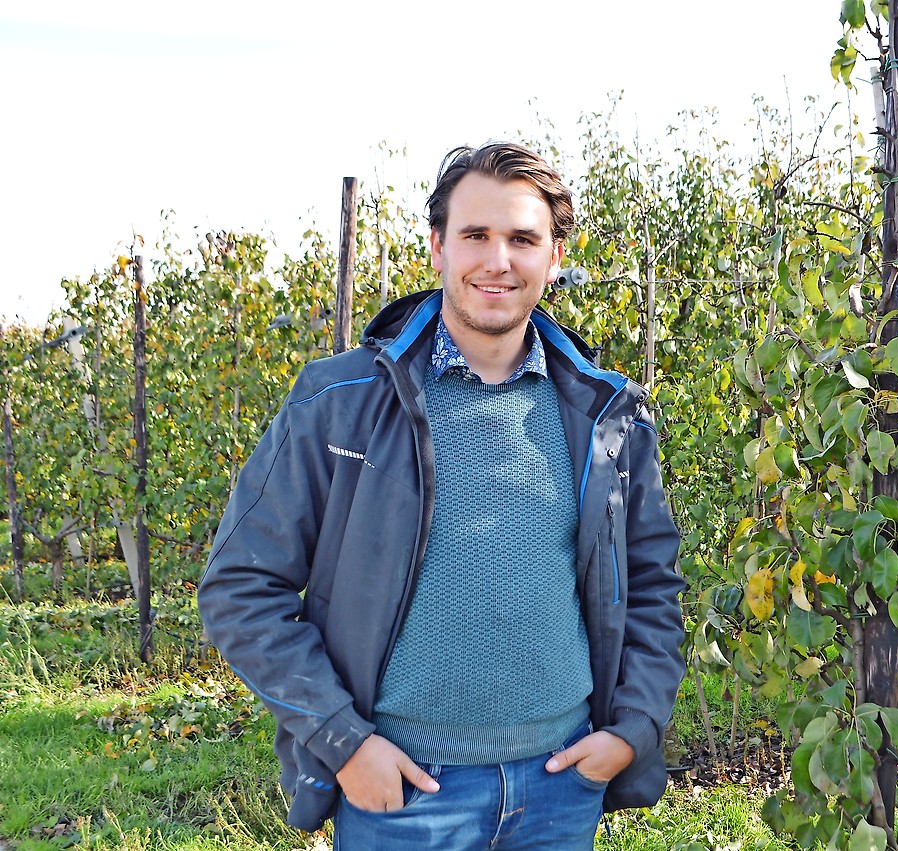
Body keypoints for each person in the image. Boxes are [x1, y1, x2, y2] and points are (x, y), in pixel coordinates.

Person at [197, 141, 686, 849]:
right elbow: (239, 586)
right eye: (476, 235)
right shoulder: (340, 402)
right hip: (401, 793)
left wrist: (632, 729)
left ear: (553, 257)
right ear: (437, 246)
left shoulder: (605, 414)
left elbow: (652, 588)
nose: (498, 260)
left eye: (522, 238)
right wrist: (346, 743)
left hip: (560, 787)